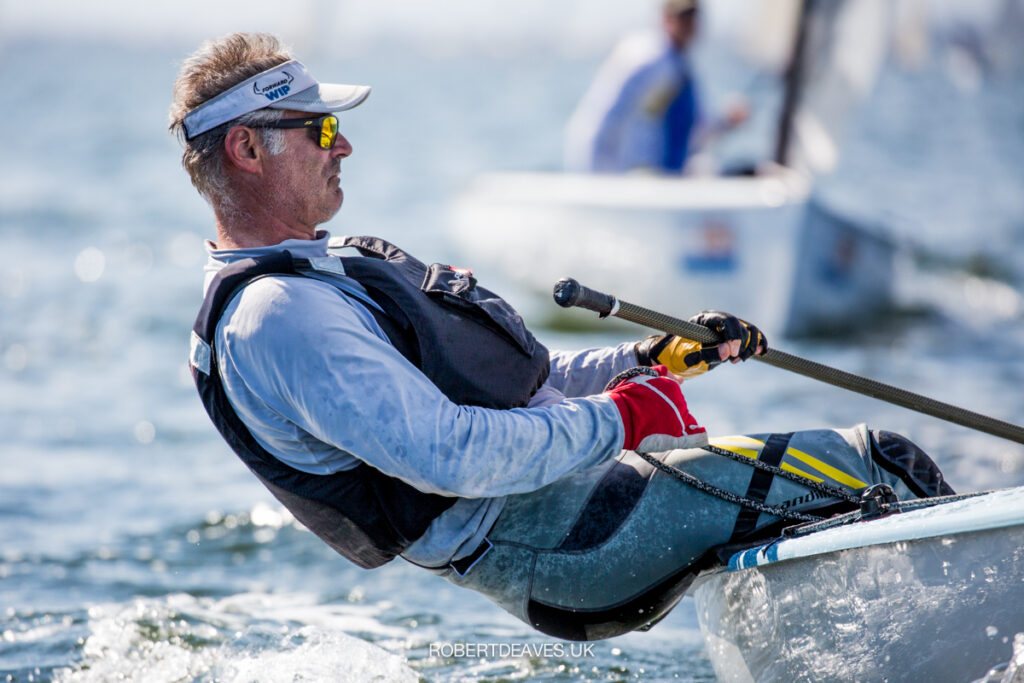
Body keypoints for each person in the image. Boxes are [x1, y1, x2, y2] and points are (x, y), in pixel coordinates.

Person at [171, 33, 954, 642]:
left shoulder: (316, 280)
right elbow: (452, 454)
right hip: (569, 545)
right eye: (321, 128)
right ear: (246, 149)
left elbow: (524, 390)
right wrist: (624, 416)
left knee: (832, 496)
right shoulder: (278, 317)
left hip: (583, 516)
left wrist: (645, 362)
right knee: (885, 460)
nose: (343, 145)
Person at [564, 0, 748, 174]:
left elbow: (693, 132)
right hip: (634, 177)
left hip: (665, 174)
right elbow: (604, 118)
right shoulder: (651, 60)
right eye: (682, 17)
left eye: (692, 17)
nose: (688, 24)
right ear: (665, 18)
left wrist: (725, 122)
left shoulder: (678, 65)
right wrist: (597, 180)